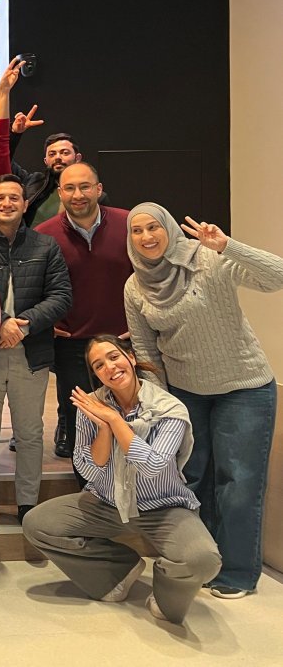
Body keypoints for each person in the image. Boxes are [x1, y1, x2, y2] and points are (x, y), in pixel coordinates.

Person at [123, 204, 283, 599]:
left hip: (243, 387)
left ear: (169, 228)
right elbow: (146, 351)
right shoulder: (134, 285)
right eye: (138, 231)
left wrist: (229, 246)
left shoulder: (208, 259)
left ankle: (238, 572)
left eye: (153, 227)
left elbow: (277, 276)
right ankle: (203, 561)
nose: (146, 237)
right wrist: (159, 406)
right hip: (186, 393)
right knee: (191, 482)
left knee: (238, 483)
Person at [22, 335, 222, 625]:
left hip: (163, 507)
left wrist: (116, 422)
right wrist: (103, 429)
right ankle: (118, 569)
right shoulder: (92, 406)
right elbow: (87, 469)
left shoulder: (169, 408)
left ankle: (166, 594)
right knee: (37, 524)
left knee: (203, 560)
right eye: (99, 365)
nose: (109, 368)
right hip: (106, 502)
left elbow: (153, 466)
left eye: (113, 357)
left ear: (129, 356)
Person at [0, 175, 72, 534]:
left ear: (25, 205)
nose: (6, 203)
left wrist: (21, 325)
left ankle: (28, 503)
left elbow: (60, 297)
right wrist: (1, 325)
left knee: (29, 433)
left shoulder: (46, 246)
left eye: (14, 198)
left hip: (31, 352)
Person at [35, 163, 131, 463]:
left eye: (85, 186)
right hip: (72, 346)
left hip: (124, 343)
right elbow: (31, 288)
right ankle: (90, 497)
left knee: (130, 422)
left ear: (98, 189)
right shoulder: (43, 235)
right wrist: (44, 322)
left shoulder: (130, 224)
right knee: (82, 427)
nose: (79, 194)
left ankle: (132, 499)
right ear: (60, 193)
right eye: (70, 188)